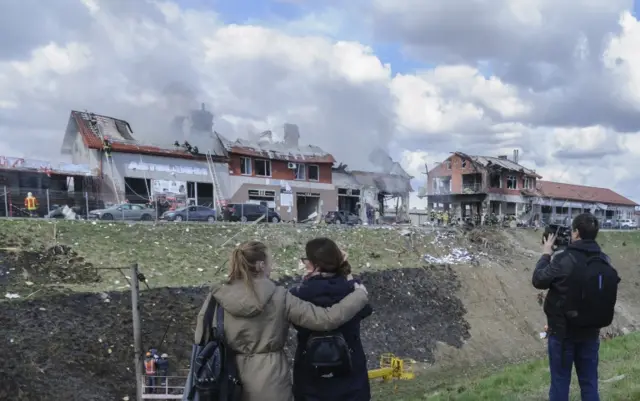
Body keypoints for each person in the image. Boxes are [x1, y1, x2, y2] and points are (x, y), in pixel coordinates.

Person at [194, 241, 369, 401]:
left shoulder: (216, 296)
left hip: (226, 378)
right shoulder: (279, 296)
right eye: (270, 262)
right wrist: (359, 295)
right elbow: (325, 319)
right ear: (261, 265)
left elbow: (201, 338)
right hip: (270, 380)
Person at [532, 213, 620, 401]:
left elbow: (539, 280)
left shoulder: (564, 259)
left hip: (564, 334)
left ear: (577, 233)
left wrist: (547, 253)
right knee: (589, 383)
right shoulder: (604, 260)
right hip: (591, 333)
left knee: (560, 383)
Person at [290, 238, 372, 401]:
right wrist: (347, 275)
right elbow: (366, 310)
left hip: (311, 381)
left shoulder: (298, 295)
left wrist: (306, 281)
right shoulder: (354, 291)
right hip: (351, 379)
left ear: (314, 264)